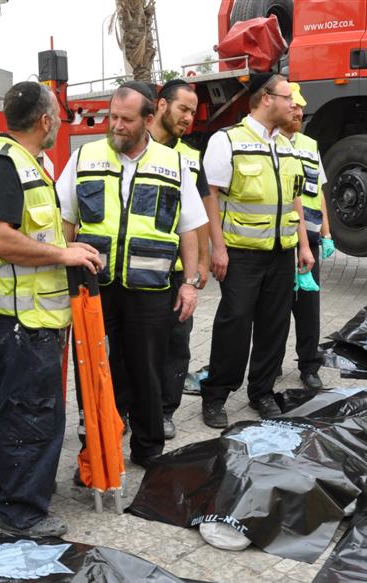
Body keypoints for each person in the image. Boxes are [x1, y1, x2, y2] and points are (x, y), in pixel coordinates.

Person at [0, 82, 101, 536]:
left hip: (27, 316)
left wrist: (66, 246)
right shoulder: (5, 166)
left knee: (17, 404)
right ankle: (21, 511)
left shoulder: (26, 164)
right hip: (21, 319)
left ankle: (3, 483)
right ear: (44, 120)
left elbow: (35, 235)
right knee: (34, 411)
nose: (59, 121)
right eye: (56, 115)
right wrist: (64, 256)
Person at [58, 81, 204, 465]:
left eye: (125, 119)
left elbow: (190, 227)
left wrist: (189, 284)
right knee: (97, 371)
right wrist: (61, 264)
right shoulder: (85, 157)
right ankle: (100, 450)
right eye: (112, 117)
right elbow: (65, 220)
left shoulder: (173, 164)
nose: (116, 126)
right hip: (95, 288)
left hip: (151, 290)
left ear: (148, 120)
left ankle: (148, 448)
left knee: (148, 372)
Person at [199, 73, 314, 428]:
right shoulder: (227, 140)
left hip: (282, 252)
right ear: (266, 99)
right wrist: (216, 248)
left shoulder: (287, 143)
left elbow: (295, 196)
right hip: (241, 254)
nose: (294, 105)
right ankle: (216, 395)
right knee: (234, 324)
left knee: (274, 326)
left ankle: (262, 391)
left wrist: (304, 245)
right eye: (287, 98)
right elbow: (211, 196)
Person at [147, 79, 214, 440]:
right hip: (138, 270)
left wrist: (202, 263)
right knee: (135, 347)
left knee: (177, 344)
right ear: (160, 106)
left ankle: (165, 410)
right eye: (183, 109)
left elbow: (200, 214)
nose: (189, 117)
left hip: (176, 273)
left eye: (192, 112)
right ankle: (128, 409)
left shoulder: (189, 157)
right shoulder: (133, 147)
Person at [281, 82, 334, 391]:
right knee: (275, 309)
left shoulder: (309, 145)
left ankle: (309, 366)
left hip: (310, 240)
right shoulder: (271, 143)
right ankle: (271, 362)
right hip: (281, 239)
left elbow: (319, 192)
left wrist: (327, 233)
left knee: (308, 307)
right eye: (294, 106)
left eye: (301, 107)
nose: (299, 111)